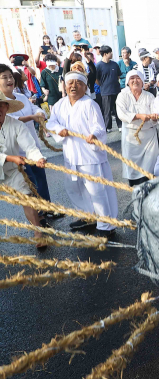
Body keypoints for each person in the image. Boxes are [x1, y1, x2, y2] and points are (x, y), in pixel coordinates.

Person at [46, 71, 118, 239]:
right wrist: (58, 130)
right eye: (70, 82)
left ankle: (106, 225)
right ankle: (88, 216)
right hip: (71, 155)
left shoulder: (89, 104)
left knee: (96, 190)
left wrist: (94, 135)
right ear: (64, 85)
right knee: (74, 188)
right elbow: (51, 122)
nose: (73, 86)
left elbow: (99, 126)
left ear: (85, 87)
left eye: (78, 83)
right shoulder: (60, 105)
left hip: (89, 156)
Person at [0, 64, 52, 209]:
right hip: (17, 154)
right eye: (4, 77)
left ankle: (48, 209)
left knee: (41, 179)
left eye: (10, 76)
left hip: (32, 146)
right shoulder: (1, 104)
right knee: (30, 185)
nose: (9, 80)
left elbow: (33, 107)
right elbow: (10, 120)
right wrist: (31, 117)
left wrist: (39, 113)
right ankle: (38, 217)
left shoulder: (22, 97)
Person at [0, 92, 47, 246]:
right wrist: (10, 158)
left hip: (13, 169)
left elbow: (29, 146)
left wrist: (37, 158)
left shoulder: (16, 125)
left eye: (1, 105)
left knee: (26, 196)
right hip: (11, 161)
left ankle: (38, 231)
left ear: (6, 107)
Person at [115, 70, 159, 186]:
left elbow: (155, 113)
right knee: (133, 168)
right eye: (132, 78)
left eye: (138, 78)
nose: (135, 81)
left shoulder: (149, 96)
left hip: (149, 137)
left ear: (142, 80)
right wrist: (140, 116)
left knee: (150, 168)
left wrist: (154, 117)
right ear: (128, 82)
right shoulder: (122, 96)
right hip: (130, 137)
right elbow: (121, 114)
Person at [95, 45, 122, 132]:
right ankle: (108, 127)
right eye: (110, 52)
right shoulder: (98, 65)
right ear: (105, 54)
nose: (112, 54)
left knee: (118, 109)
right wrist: (102, 85)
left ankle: (120, 125)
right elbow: (96, 79)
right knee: (107, 110)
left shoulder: (114, 64)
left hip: (116, 90)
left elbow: (118, 76)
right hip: (105, 91)